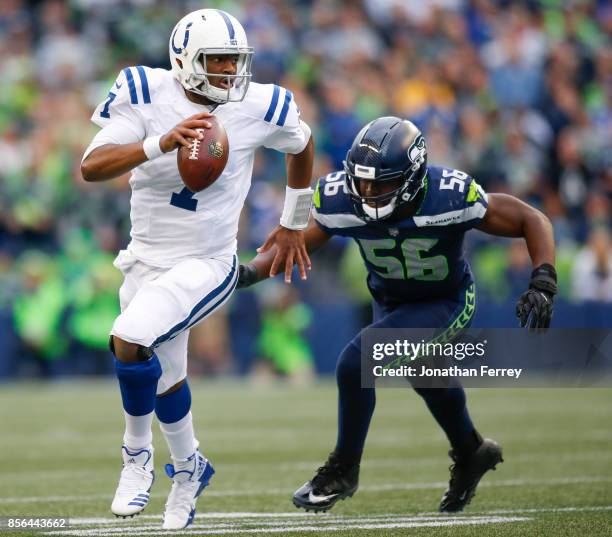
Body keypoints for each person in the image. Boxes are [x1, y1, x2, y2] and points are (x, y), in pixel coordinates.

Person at [238, 116, 557, 513]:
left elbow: (531, 218)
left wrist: (543, 278)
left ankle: (343, 469)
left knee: (357, 361)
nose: (368, 192)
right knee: (425, 374)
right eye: (362, 181)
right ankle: (472, 450)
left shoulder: (448, 195)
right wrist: (245, 274)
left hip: (447, 302)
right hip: (391, 302)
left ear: (412, 176)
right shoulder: (341, 199)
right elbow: (294, 246)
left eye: (381, 182)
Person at [80, 9, 314, 530]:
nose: (231, 72)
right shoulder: (144, 91)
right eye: (219, 60)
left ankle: (135, 458)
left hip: (207, 261)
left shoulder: (260, 105)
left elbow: (302, 144)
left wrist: (294, 220)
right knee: (166, 379)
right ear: (184, 60)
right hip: (145, 259)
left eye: (237, 60)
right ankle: (189, 470)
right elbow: (91, 167)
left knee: (129, 336)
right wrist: (160, 143)